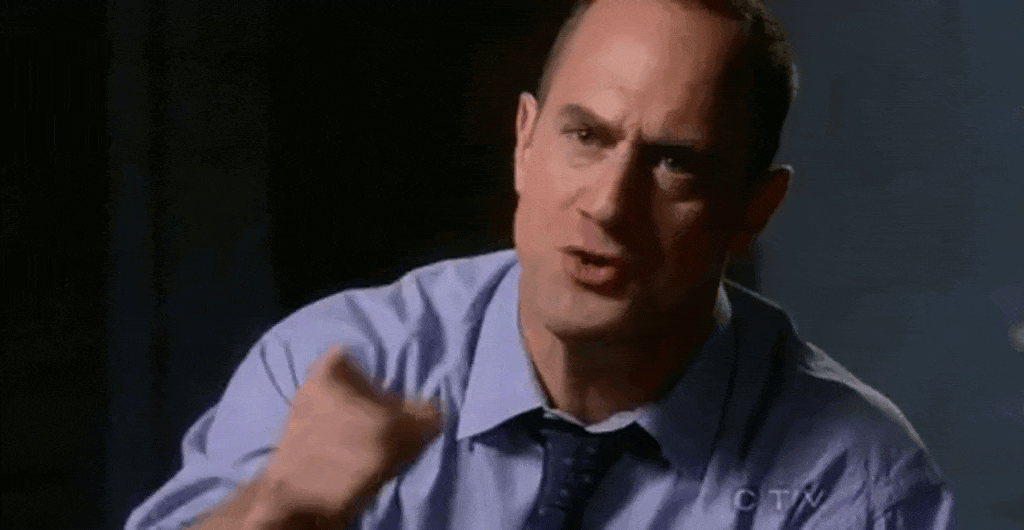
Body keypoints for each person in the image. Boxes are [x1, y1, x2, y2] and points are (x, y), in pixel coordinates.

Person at [126, 0, 954, 528]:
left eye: (674, 162)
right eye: (585, 136)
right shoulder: (340, 363)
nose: (608, 205)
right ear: (525, 144)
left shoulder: (848, 477)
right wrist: (277, 508)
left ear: (753, 209)